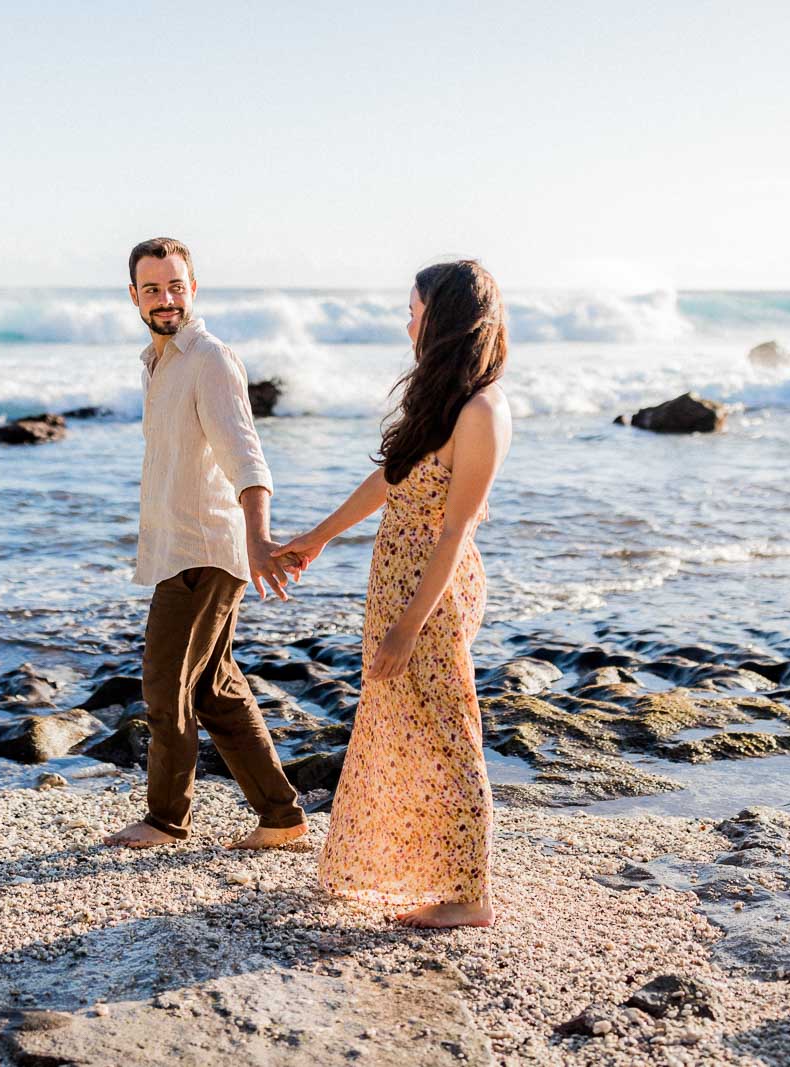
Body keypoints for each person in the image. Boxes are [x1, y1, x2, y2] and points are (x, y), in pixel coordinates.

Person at [276, 260, 511, 927]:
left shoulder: (481, 410)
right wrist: (318, 535)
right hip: (397, 588)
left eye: (414, 308)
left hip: (431, 597)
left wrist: (410, 624)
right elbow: (391, 479)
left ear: (445, 317)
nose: (407, 320)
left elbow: (455, 532)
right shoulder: (440, 399)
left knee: (449, 731)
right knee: (402, 728)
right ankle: (418, 871)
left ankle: (470, 895)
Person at [102, 237, 308, 851]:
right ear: (134, 295)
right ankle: (281, 816)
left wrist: (260, 535)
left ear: (194, 288)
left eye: (176, 287)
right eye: (152, 289)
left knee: (166, 687)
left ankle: (166, 820)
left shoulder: (210, 359)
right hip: (179, 547)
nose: (166, 299)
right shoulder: (158, 360)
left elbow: (246, 454)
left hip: (207, 549)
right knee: (213, 688)